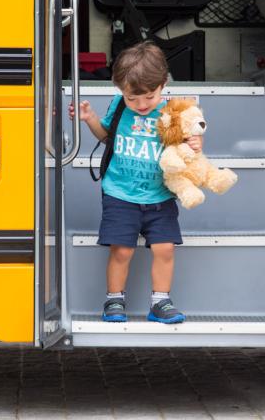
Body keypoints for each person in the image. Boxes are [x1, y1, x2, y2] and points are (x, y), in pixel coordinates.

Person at [69, 41, 202, 324]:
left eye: (148, 97)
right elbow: (107, 137)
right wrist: (89, 118)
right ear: (121, 92)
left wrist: (195, 142)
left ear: (163, 85)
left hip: (160, 195)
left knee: (165, 248)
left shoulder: (173, 114)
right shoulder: (119, 107)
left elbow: (186, 149)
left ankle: (160, 302)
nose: (140, 105)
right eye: (132, 98)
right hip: (120, 193)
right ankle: (114, 299)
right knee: (122, 249)